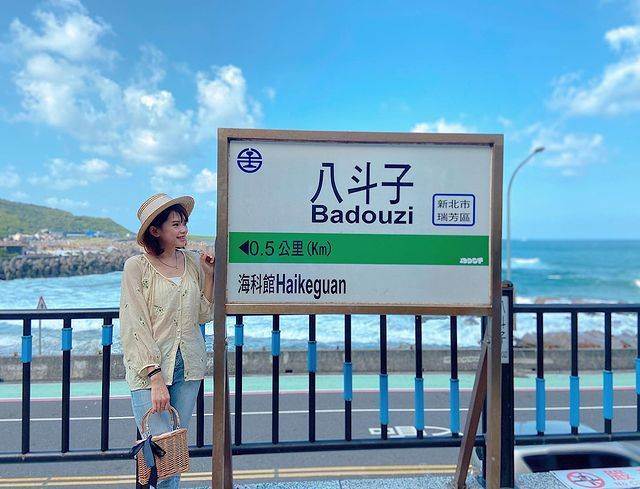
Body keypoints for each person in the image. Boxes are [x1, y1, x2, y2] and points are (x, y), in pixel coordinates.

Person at [119, 193, 214, 488]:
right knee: (159, 457)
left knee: (172, 454)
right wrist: (155, 377)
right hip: (149, 371)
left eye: (184, 223)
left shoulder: (193, 263)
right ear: (155, 231)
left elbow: (203, 314)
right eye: (175, 224)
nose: (184, 229)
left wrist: (209, 275)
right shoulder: (137, 267)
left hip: (189, 366)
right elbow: (135, 324)